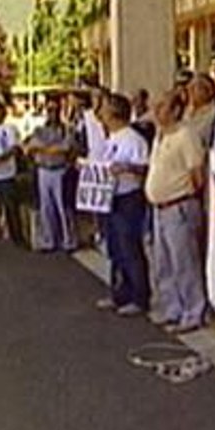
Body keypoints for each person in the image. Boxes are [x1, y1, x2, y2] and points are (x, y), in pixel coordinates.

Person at [144, 89, 207, 334]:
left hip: (178, 205)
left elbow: (196, 172)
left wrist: (187, 195)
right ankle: (172, 308)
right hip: (159, 207)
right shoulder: (160, 135)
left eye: (162, 107)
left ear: (176, 110)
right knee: (164, 262)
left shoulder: (186, 135)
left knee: (184, 262)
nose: (157, 112)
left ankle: (193, 310)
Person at [94, 93, 151, 317]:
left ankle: (139, 296)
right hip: (111, 197)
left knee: (130, 248)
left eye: (105, 108)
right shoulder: (111, 138)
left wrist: (127, 167)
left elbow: (144, 168)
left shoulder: (132, 139)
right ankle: (120, 293)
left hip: (128, 197)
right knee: (115, 248)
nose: (101, 113)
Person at [24, 95, 77, 252]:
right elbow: (30, 146)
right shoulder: (39, 130)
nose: (52, 113)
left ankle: (68, 240)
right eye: (49, 110)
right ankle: (49, 240)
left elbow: (66, 147)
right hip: (44, 170)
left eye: (55, 110)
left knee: (63, 207)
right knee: (46, 207)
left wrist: (45, 149)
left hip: (60, 170)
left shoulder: (66, 129)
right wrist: (51, 149)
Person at [0, 95, 23, 245]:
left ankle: (17, 238)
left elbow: (15, 148)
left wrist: (3, 157)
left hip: (5, 175)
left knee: (11, 206)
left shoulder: (9, 129)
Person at [184, 73, 215, 149]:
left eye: (196, 87)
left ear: (209, 92)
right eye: (190, 87)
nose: (191, 91)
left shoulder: (214, 114)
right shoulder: (186, 111)